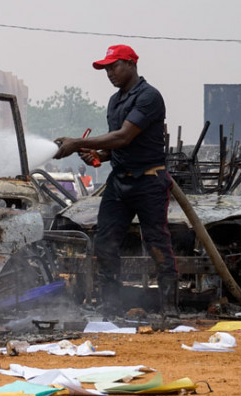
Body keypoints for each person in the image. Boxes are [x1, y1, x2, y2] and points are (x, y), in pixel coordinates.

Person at [53, 45, 179, 317]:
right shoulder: (115, 101)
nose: (109, 73)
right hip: (120, 182)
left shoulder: (149, 97)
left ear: (132, 64)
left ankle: (170, 309)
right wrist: (98, 155)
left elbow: (123, 136)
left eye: (114, 66)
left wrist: (76, 143)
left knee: (157, 243)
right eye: (106, 68)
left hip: (149, 182)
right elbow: (118, 146)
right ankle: (112, 306)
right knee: (105, 243)